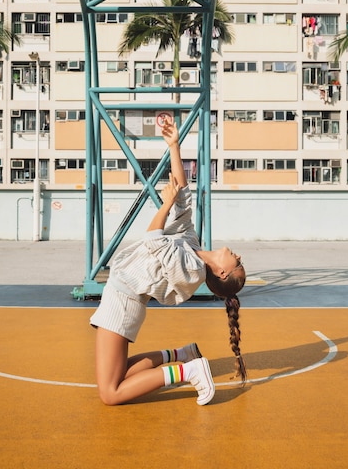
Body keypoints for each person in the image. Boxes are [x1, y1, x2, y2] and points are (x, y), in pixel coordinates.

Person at [90, 117, 246, 406]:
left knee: (110, 393)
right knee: (120, 374)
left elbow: (154, 238)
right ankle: (181, 355)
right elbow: (184, 198)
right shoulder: (193, 247)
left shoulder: (192, 271)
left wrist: (165, 203)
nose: (238, 255)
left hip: (122, 300)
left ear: (223, 273)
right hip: (123, 297)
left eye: (237, 262)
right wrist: (174, 145)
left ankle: (188, 370)